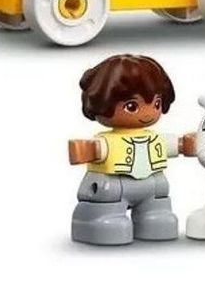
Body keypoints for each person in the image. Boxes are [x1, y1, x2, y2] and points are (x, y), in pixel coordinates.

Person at [67, 54, 196, 245]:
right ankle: (99, 222)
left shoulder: (154, 137)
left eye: (156, 103)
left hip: (152, 186)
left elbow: (173, 145)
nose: (148, 112)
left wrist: (185, 145)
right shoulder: (107, 141)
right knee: (107, 212)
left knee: (159, 215)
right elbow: (96, 149)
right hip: (113, 186)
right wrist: (86, 150)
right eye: (132, 106)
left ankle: (154, 217)